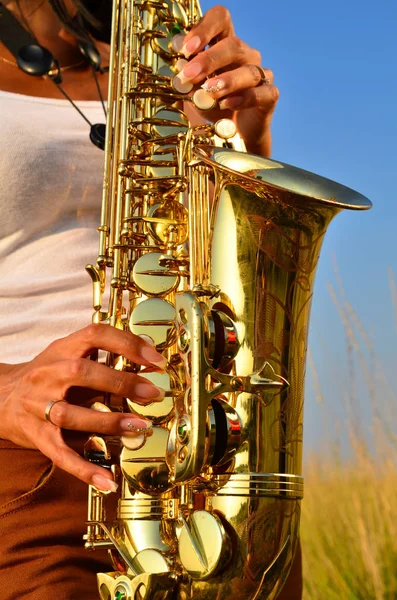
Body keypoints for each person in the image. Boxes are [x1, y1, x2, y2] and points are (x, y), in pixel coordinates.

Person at [0, 1, 301, 598]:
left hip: (219, 467)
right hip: (36, 467)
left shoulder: (162, 62)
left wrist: (244, 133)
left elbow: (223, 256)